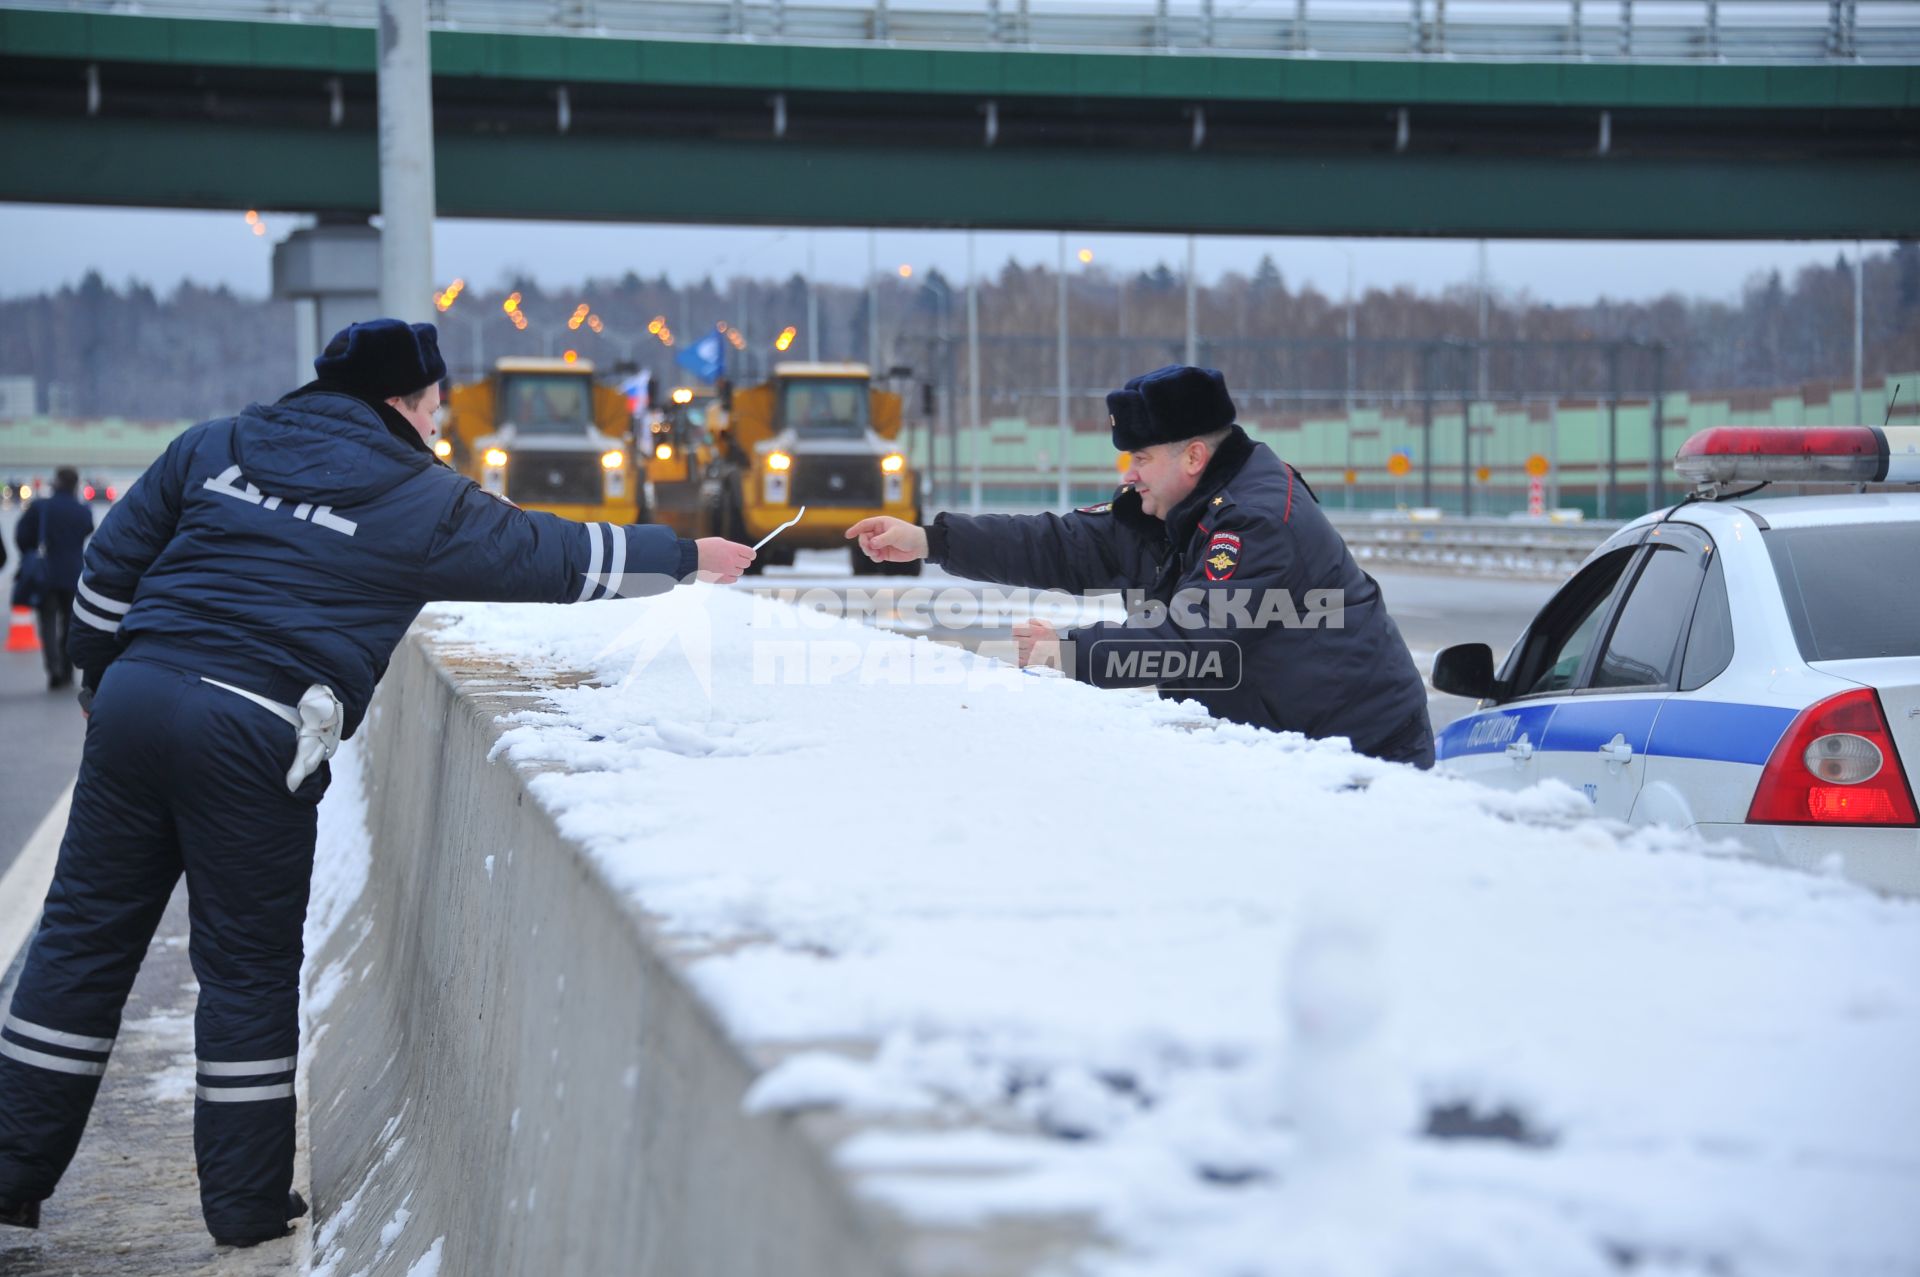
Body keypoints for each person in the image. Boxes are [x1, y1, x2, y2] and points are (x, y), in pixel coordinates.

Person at [0, 319, 755, 1247]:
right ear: (406, 399)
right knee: (243, 970)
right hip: (257, 729)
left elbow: (111, 567)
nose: (439, 418)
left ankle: (10, 1169)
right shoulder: (420, 496)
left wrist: (96, 673)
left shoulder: (215, 445)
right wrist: (685, 556)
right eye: (435, 400)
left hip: (138, 702)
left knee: (77, 946)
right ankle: (240, 1205)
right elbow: (551, 556)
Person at [847, 365, 1433, 767]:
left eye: (1142, 458)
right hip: (1294, 740)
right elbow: (1062, 543)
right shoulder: (1172, 507)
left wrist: (1070, 652)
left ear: (1194, 456)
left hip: (1361, 752)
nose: (1129, 474)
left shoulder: (1253, 522)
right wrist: (929, 541)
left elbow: (1194, 641)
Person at [14, 466, 95, 689]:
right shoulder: (83, 511)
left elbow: (22, 535)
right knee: (69, 624)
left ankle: (54, 669)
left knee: (47, 622)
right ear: (76, 485)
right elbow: (87, 531)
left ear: (56, 482)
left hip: (46, 574)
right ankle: (68, 669)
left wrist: (31, 552)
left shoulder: (41, 507)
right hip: (73, 574)